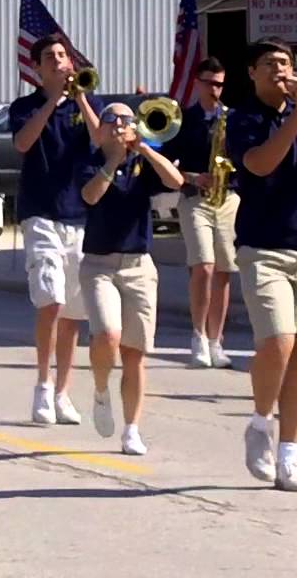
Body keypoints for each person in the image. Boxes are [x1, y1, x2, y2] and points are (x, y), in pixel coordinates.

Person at [226, 39, 297, 492]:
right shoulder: (242, 117)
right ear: (252, 72)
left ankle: (290, 455)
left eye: (287, 63)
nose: (281, 69)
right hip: (263, 249)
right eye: (271, 63)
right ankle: (259, 424)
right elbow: (259, 164)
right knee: (277, 341)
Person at [7, 35, 101, 424]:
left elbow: (100, 141)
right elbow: (24, 143)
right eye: (51, 58)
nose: (60, 62)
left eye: (63, 56)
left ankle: (63, 392)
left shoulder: (84, 105)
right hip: (39, 213)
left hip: (78, 215)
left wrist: (78, 99)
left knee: (73, 313)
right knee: (52, 299)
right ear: (39, 68)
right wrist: (51, 102)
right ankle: (42, 387)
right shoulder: (25, 106)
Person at [80, 102, 183, 453]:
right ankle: (99, 389)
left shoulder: (142, 162)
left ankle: (132, 429)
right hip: (99, 264)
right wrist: (112, 161)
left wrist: (144, 150)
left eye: (126, 119)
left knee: (135, 352)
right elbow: (90, 195)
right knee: (107, 334)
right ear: (102, 125)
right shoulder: (91, 159)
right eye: (112, 118)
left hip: (139, 264)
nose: (119, 124)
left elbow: (176, 181)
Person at [161, 57, 237, 368]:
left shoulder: (231, 118)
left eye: (220, 84)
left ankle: (216, 340)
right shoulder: (185, 120)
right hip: (194, 198)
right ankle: (197, 336)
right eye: (210, 83)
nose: (216, 89)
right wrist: (194, 177)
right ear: (198, 83)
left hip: (227, 198)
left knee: (223, 270)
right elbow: (168, 164)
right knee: (203, 266)